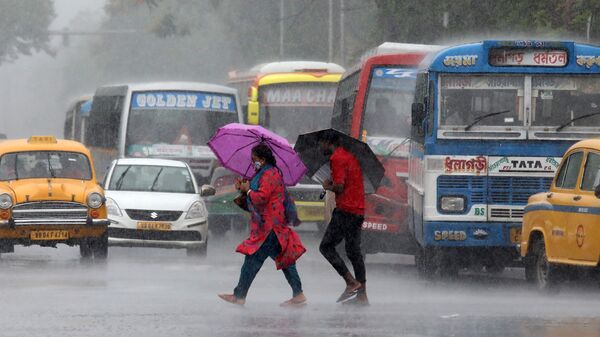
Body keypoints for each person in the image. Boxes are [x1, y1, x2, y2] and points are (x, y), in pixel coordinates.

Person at [218, 144, 307, 306]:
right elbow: (255, 197)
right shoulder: (265, 173)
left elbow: (261, 198)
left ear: (263, 159)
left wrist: (249, 191)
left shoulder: (269, 174)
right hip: (272, 226)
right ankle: (298, 294)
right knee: (285, 260)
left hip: (269, 228)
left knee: (253, 259)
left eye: (255, 160)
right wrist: (244, 189)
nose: (253, 163)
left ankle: (239, 296)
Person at [319, 132, 368, 305]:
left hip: (346, 210)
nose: (320, 147)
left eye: (321, 143)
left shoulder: (337, 158)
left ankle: (351, 282)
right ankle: (362, 296)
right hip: (358, 210)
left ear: (328, 142)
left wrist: (328, 186)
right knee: (354, 252)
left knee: (325, 247)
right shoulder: (349, 156)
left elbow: (339, 186)